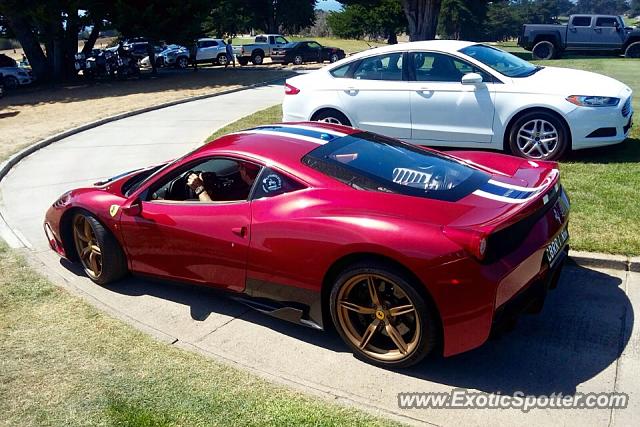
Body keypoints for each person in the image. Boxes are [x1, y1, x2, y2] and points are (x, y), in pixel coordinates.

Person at [187, 162, 258, 202]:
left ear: (246, 172)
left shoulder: (247, 196)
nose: (238, 169)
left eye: (240, 167)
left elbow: (211, 211)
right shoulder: (257, 187)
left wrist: (200, 189)